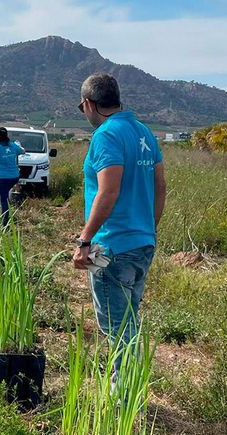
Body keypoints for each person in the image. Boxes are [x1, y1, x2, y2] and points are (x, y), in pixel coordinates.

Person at [72, 73, 166, 347]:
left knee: (117, 331)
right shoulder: (144, 132)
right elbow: (160, 186)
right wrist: (149, 228)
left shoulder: (106, 135)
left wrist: (84, 240)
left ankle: (123, 378)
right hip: (142, 243)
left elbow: (108, 190)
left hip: (112, 247)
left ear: (89, 103)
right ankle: (129, 375)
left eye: (82, 107)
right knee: (128, 323)